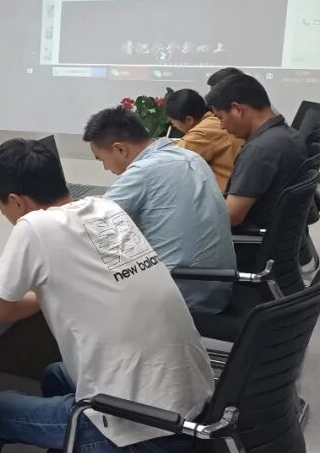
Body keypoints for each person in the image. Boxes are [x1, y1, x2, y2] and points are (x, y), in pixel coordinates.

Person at [0, 140, 213, 453]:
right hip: (194, 415)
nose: (1, 212)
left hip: (151, 437)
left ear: (16, 201)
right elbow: (67, 275)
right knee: (55, 373)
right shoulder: (105, 209)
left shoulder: (35, 226)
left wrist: (17, 284)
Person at [83, 107, 236, 314]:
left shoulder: (143, 171)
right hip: (217, 286)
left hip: (182, 295)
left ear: (120, 149)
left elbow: (92, 224)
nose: (105, 168)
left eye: (101, 159)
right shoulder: (191, 157)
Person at [206, 73, 307, 228]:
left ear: (237, 109)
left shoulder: (260, 150)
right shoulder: (288, 135)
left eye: (220, 117)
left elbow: (230, 217)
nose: (222, 126)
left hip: (249, 237)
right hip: (277, 232)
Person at [164, 88, 241, 191]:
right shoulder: (213, 121)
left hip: (229, 193)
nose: (173, 125)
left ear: (189, 120)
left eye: (173, 121)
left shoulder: (203, 132)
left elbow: (170, 161)